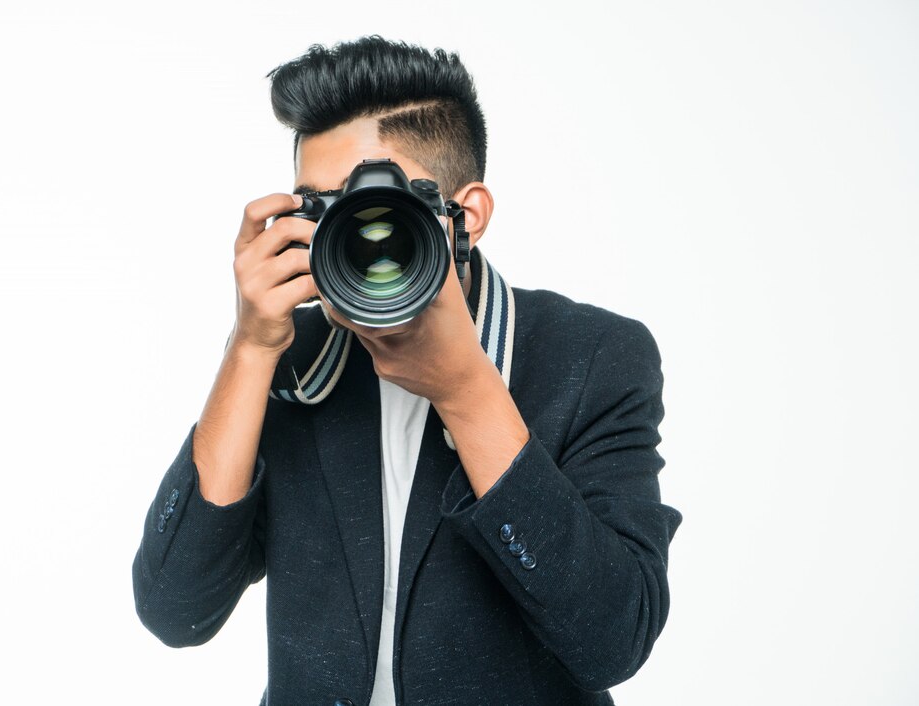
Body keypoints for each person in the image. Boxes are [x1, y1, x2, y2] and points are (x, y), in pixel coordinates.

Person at [132, 35, 683, 706]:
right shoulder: (293, 356)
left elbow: (612, 639)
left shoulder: (591, 356)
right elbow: (176, 608)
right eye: (323, 211)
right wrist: (249, 348)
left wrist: (466, 389)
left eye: (382, 208)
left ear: (466, 217)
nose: (358, 236)